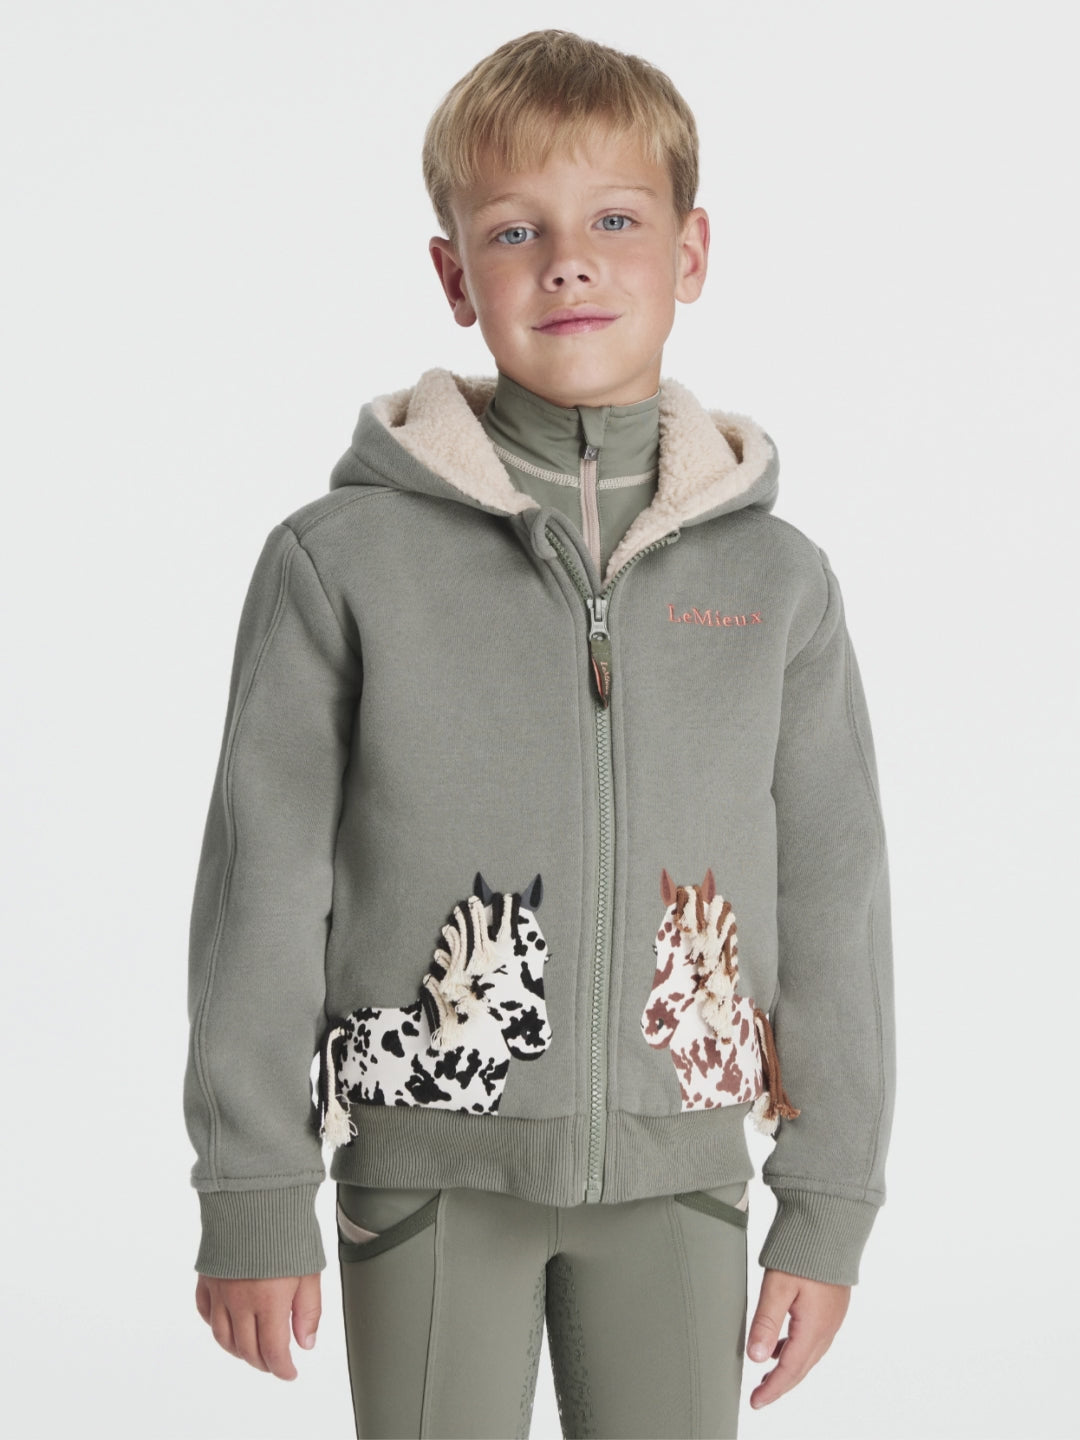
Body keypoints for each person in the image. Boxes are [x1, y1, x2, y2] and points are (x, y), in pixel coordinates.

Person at [185, 28, 895, 1439]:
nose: (570, 263)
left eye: (615, 221)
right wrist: (251, 1183)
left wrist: (829, 1202)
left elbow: (835, 894)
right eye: (517, 231)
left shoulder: (779, 582)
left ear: (692, 252)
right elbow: (260, 886)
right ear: (456, 275)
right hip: (426, 1169)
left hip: (682, 1170)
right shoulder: (340, 561)